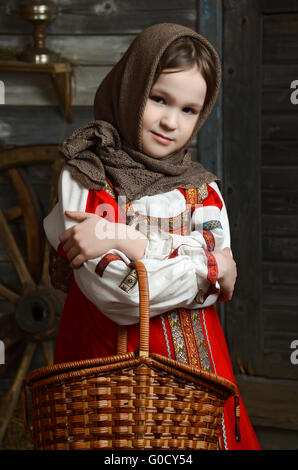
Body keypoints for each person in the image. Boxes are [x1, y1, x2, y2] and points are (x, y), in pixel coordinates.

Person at [44, 23, 261, 450]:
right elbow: (122, 296)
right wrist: (206, 267)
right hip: (109, 370)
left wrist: (127, 241)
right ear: (131, 86)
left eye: (188, 110)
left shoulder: (203, 190)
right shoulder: (88, 176)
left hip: (201, 366)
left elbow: (220, 270)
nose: (169, 121)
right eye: (158, 98)